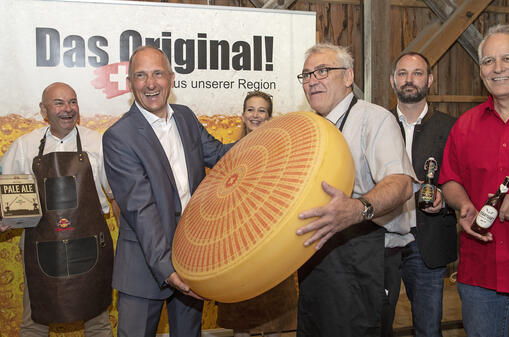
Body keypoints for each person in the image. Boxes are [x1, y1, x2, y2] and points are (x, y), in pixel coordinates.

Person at [102, 45, 233, 337]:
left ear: (171, 78)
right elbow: (140, 209)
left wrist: (265, 140)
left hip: (191, 261)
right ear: (130, 84)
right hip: (143, 271)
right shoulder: (118, 137)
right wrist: (167, 268)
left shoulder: (185, 117)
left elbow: (221, 155)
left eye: (158, 74)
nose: (151, 83)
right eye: (141, 75)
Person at [294, 43, 415, 337]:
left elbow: (401, 183)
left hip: (365, 260)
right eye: (306, 74)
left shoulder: (374, 120)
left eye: (322, 71)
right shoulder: (308, 128)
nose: (312, 80)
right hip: (316, 259)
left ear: (348, 77)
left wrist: (358, 208)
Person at [439, 24, 509, 337]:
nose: (498, 69)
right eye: (488, 61)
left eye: (508, 58)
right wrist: (463, 204)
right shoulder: (466, 125)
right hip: (480, 272)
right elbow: (450, 180)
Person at [0, 82, 115, 336]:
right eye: (59, 103)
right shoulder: (24, 146)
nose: (68, 109)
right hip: (41, 245)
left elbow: (118, 196)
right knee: (34, 321)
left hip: (90, 245)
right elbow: (7, 193)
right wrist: (6, 216)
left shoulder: (98, 144)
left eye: (72, 102)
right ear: (44, 110)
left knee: (98, 321)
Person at [217, 90, 298, 337]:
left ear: (270, 117)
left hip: (271, 247)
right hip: (237, 248)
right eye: (251, 110)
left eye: (261, 110)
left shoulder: (282, 153)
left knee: (273, 322)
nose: (255, 115)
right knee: (241, 324)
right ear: (242, 115)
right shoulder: (229, 154)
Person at [389, 52, 458, 337]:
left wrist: (444, 199)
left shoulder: (451, 127)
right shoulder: (377, 123)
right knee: (374, 323)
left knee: (428, 329)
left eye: (417, 73)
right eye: (402, 73)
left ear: (429, 80)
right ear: (393, 80)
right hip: (383, 241)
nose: (409, 79)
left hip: (426, 241)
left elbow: (461, 180)